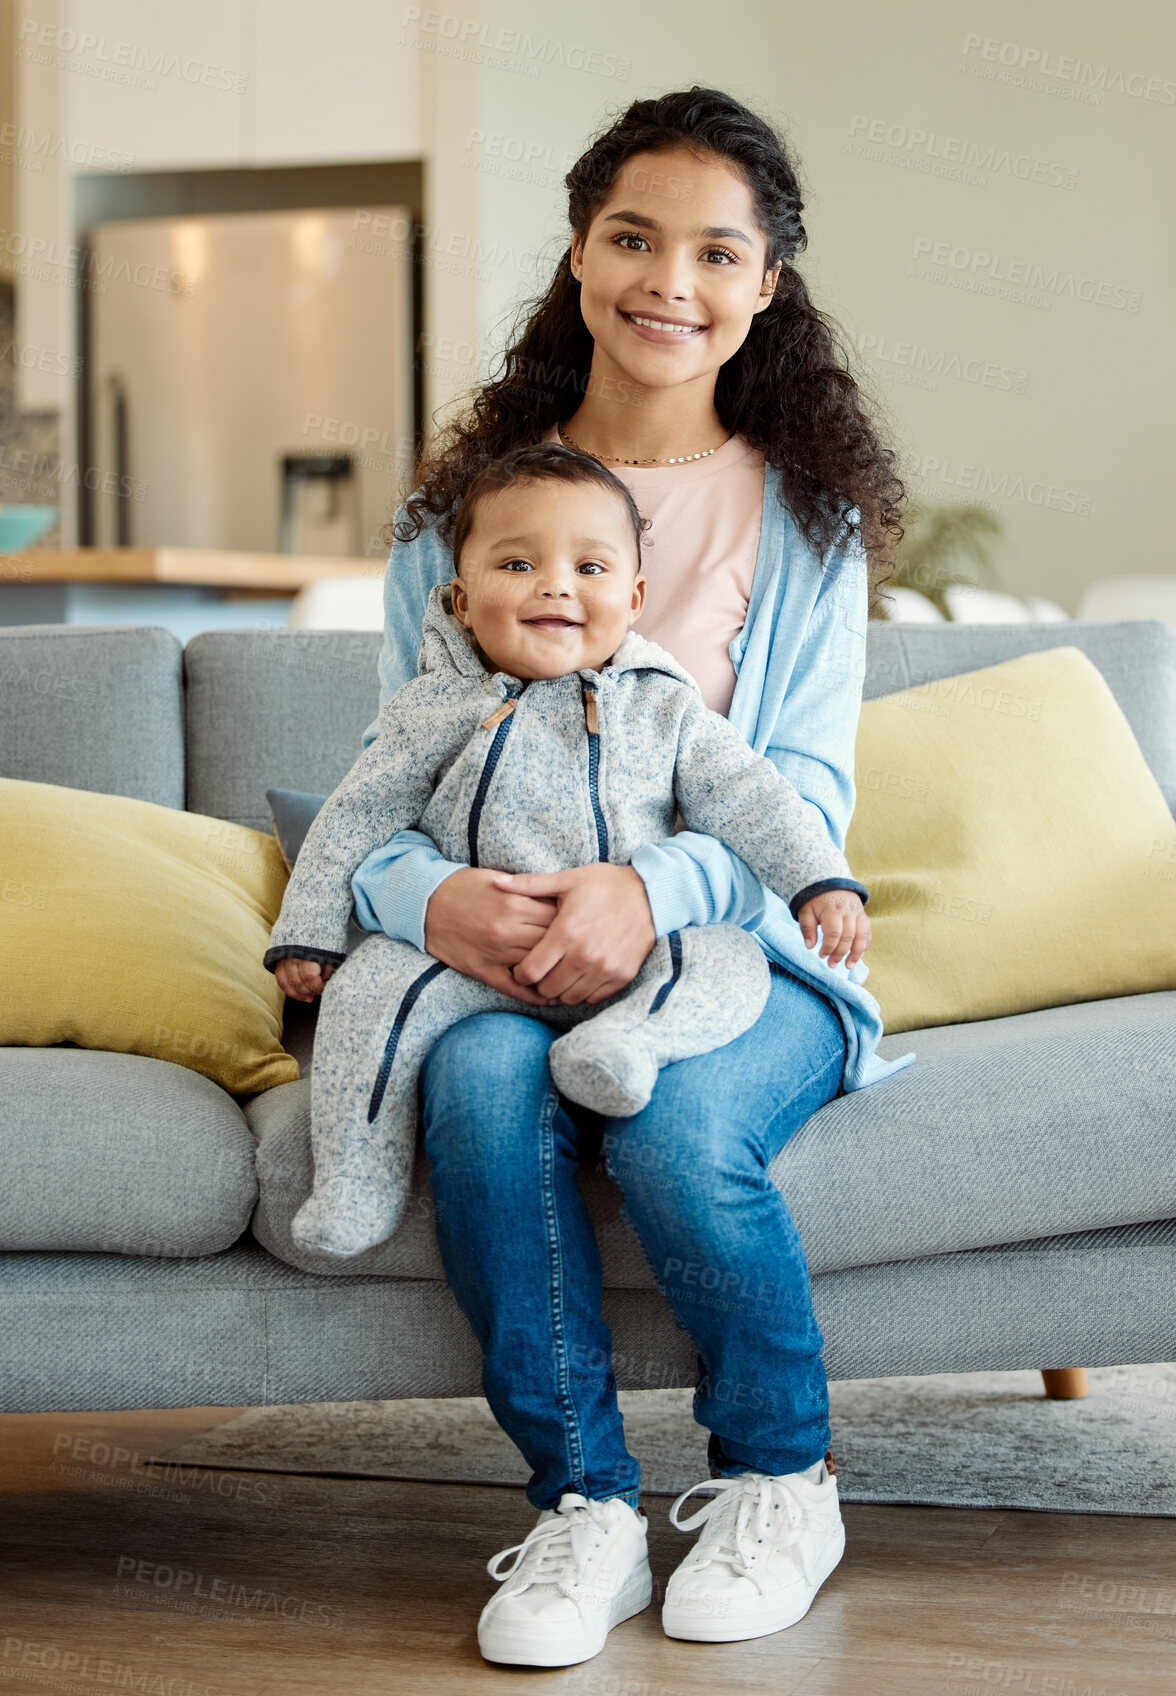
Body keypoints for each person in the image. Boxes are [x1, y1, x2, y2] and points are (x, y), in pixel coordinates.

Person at [349, 87, 916, 1666]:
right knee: (471, 1095)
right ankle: (581, 1505)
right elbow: (387, 788)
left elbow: (799, 794)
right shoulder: (450, 526)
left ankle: (778, 1477)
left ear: (764, 287)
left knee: (672, 1122)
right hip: (502, 951)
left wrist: (652, 893)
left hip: (746, 954)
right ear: (581, 256)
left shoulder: (806, 524)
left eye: (714, 253)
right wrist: (426, 903)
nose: (668, 281)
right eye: (631, 238)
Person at [264, 444, 871, 1260]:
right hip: (478, 969)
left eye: (590, 567)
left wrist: (819, 881)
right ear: (460, 596)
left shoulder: (666, 709)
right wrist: (306, 933)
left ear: (634, 596)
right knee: (371, 992)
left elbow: (756, 797)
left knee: (730, 963)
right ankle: (352, 1180)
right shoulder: (431, 710)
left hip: (637, 960)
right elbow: (354, 817)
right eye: (518, 563)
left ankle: (625, 1048)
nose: (556, 584)